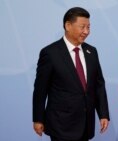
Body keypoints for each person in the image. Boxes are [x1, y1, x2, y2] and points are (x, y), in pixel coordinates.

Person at [32, 7, 110, 141]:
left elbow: (98, 85)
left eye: (89, 27)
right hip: (61, 125)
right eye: (82, 27)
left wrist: (103, 114)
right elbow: (40, 89)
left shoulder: (92, 51)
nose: (86, 32)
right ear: (68, 25)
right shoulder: (50, 53)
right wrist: (38, 119)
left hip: (86, 124)